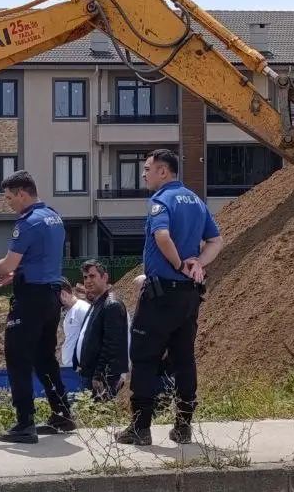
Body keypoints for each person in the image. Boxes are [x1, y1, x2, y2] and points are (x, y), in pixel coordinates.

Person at [117, 148, 224, 447]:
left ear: (163, 172)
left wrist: (179, 265)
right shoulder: (197, 201)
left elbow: (161, 236)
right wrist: (197, 264)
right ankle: (183, 427)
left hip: (161, 294)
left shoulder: (161, 201)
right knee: (184, 359)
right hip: (189, 297)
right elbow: (216, 240)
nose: (144, 174)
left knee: (144, 357)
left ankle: (140, 428)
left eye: (147, 169)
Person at [0, 170, 72, 444]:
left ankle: (24, 423)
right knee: (44, 357)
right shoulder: (54, 217)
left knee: (17, 357)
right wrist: (13, 275)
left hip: (30, 299)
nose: (8, 204)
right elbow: (37, 260)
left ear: (23, 194)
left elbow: (7, 263)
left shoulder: (27, 222)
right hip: (51, 296)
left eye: (9, 198)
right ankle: (62, 413)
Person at [72, 260, 129, 401]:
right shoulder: (97, 303)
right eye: (85, 277)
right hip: (90, 374)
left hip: (103, 378)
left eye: (92, 276)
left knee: (101, 416)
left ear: (104, 277)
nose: (88, 281)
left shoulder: (112, 305)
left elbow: (111, 345)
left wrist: (99, 375)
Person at [58, 280, 90, 373]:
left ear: (63, 294)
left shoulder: (82, 309)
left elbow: (91, 339)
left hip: (79, 370)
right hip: (70, 369)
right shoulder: (69, 313)